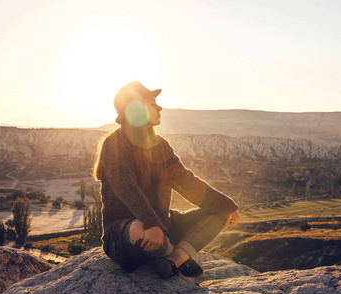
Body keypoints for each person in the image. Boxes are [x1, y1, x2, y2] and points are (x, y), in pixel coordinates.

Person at [93, 81, 240, 279]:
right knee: (138, 227)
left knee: (219, 213)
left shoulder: (161, 146)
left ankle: (172, 260)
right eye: (152, 103)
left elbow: (187, 182)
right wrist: (152, 224)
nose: (160, 107)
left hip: (162, 226)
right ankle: (171, 249)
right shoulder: (113, 145)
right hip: (124, 234)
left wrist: (227, 205)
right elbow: (126, 188)